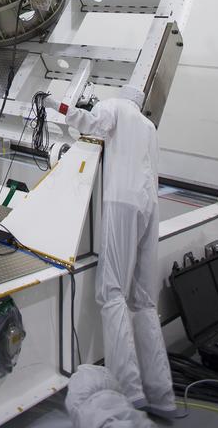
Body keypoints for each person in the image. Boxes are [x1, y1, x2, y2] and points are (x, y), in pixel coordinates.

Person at [44, 85, 176, 418]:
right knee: (143, 301)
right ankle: (162, 395)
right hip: (150, 208)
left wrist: (55, 104)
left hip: (122, 201)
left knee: (112, 293)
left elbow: (90, 123)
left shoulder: (113, 106)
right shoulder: (148, 126)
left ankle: (129, 391)